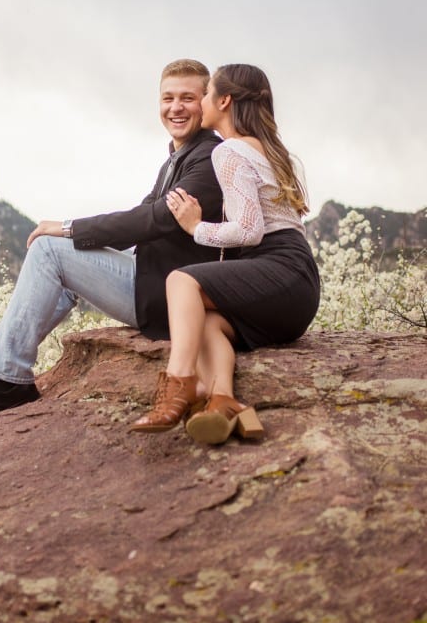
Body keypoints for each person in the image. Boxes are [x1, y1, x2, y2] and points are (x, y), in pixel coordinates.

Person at [0, 59, 232, 422]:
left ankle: (6, 381)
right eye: (168, 98)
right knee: (63, 259)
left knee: (50, 249)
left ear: (206, 101)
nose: (175, 107)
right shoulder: (179, 158)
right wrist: (83, 240)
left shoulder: (208, 157)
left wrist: (68, 228)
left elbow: (153, 220)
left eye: (188, 98)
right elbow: (141, 216)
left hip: (170, 298)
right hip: (156, 278)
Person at [130, 63, 320, 445]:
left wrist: (195, 227)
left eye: (204, 93)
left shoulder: (228, 150)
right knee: (208, 323)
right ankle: (225, 401)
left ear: (224, 100)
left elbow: (249, 232)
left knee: (182, 280)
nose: (198, 102)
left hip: (277, 265)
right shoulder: (272, 149)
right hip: (298, 288)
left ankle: (180, 384)